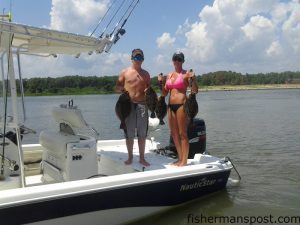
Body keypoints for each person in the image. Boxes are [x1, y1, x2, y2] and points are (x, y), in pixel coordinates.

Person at [158, 51, 198, 166]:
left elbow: (195, 91)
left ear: (183, 61)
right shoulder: (169, 75)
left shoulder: (186, 74)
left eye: (179, 59)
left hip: (182, 105)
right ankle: (180, 158)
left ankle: (184, 161)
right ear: (172, 60)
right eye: (175, 58)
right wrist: (161, 82)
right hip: (170, 106)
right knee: (174, 134)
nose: (177, 61)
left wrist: (193, 79)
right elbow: (165, 93)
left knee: (183, 134)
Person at [115, 48, 151, 166]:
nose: (138, 59)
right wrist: (121, 89)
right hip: (127, 105)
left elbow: (149, 90)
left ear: (143, 59)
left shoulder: (146, 74)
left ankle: (142, 158)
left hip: (142, 105)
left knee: (142, 134)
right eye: (136, 57)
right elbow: (117, 88)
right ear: (131, 58)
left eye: (140, 57)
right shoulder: (124, 72)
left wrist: (148, 91)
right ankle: (130, 157)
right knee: (129, 133)